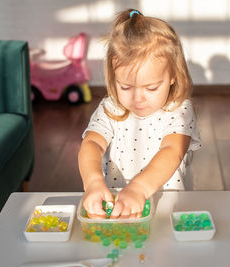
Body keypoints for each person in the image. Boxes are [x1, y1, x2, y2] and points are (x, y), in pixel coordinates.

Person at [78, 9, 201, 219]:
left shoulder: (179, 110)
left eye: (151, 88)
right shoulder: (110, 108)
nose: (138, 98)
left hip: (169, 208)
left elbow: (172, 150)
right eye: (125, 87)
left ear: (172, 76)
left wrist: (140, 188)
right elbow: (91, 144)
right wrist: (93, 182)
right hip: (119, 208)